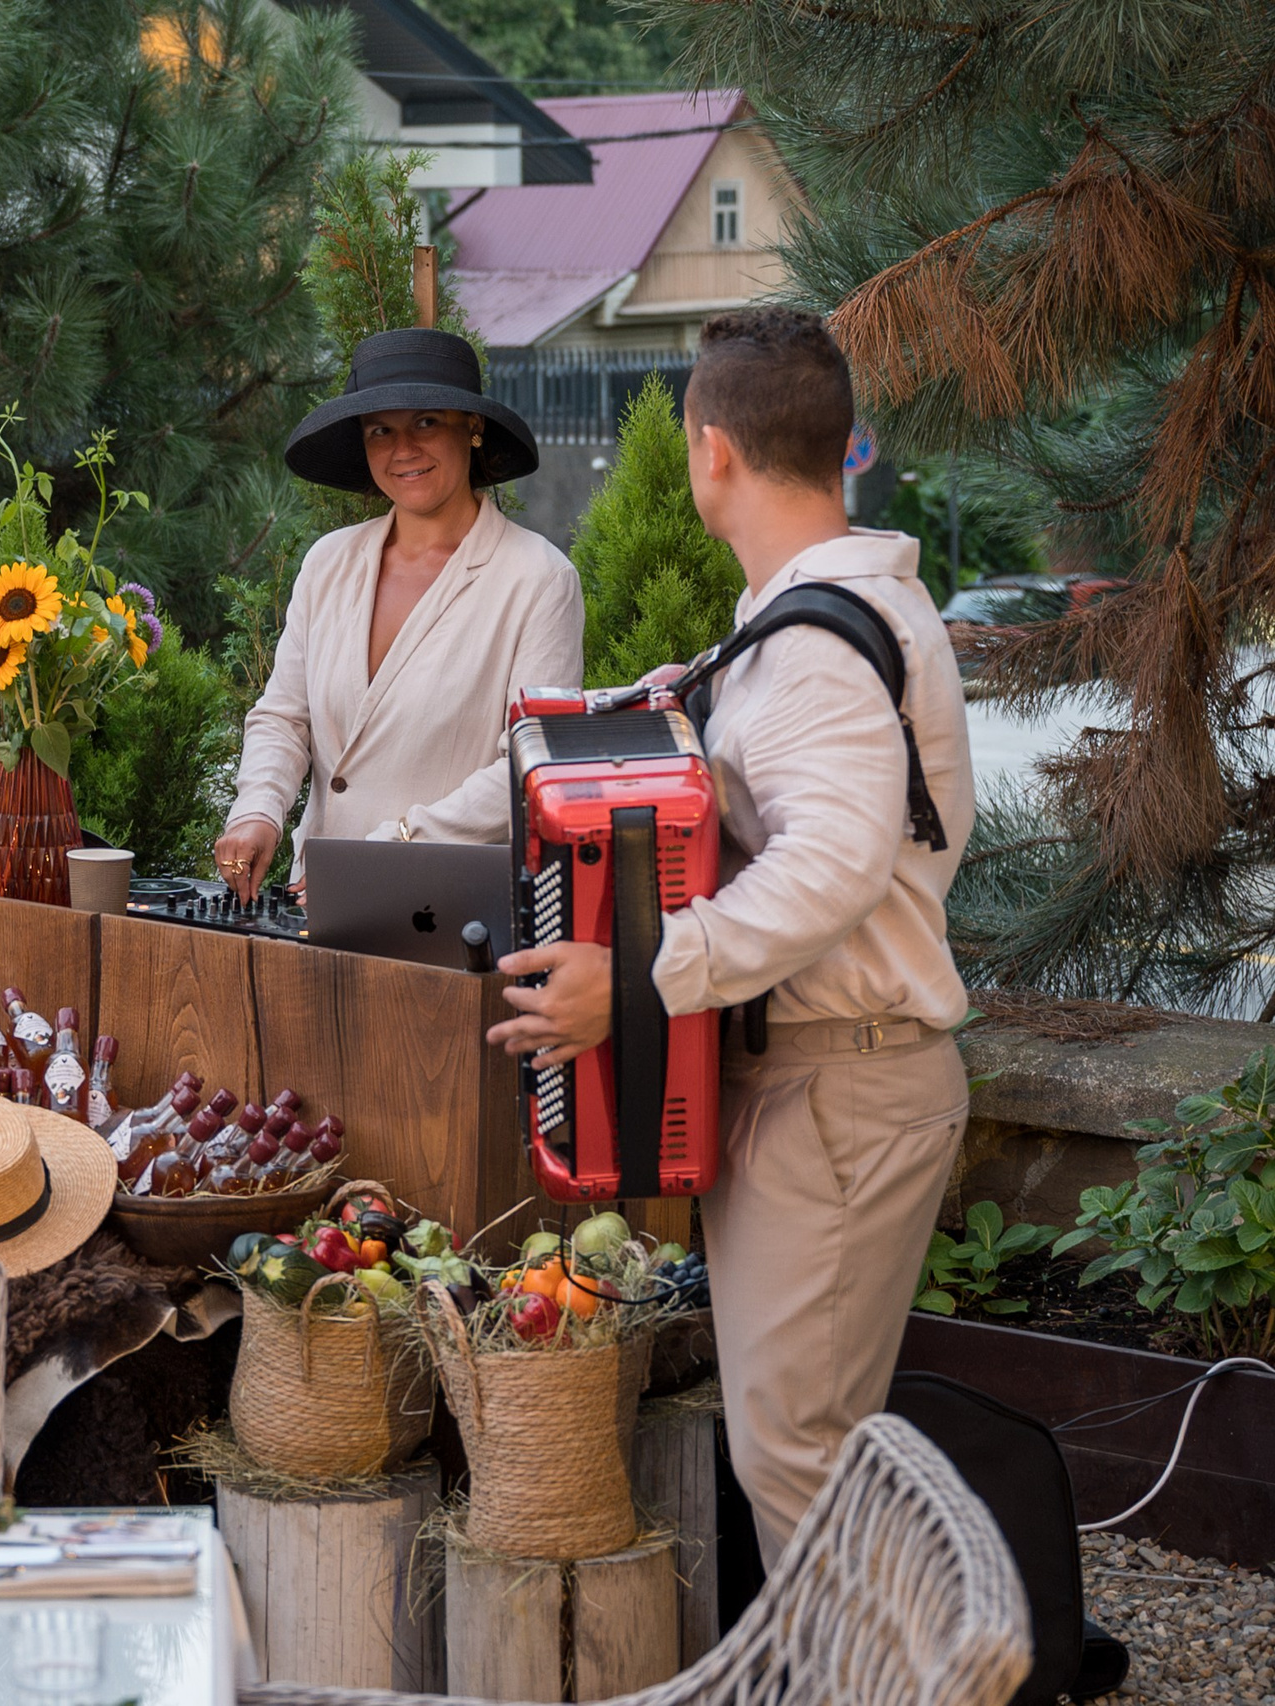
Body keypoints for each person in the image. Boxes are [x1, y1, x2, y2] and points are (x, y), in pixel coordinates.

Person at [485, 305, 976, 1566]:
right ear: (843, 445)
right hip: (819, 1079)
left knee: (794, 1450)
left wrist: (643, 979)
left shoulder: (811, 646)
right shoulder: (800, 619)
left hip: (842, 1084)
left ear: (709, 450)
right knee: (804, 1447)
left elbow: (832, 863)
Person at [214, 328, 583, 897]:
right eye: (380, 429)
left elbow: (528, 770)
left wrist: (393, 850)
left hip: (447, 910)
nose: (402, 448)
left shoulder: (538, 579)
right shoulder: (328, 563)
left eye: (427, 422)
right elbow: (284, 717)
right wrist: (257, 810)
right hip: (314, 905)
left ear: (474, 428)